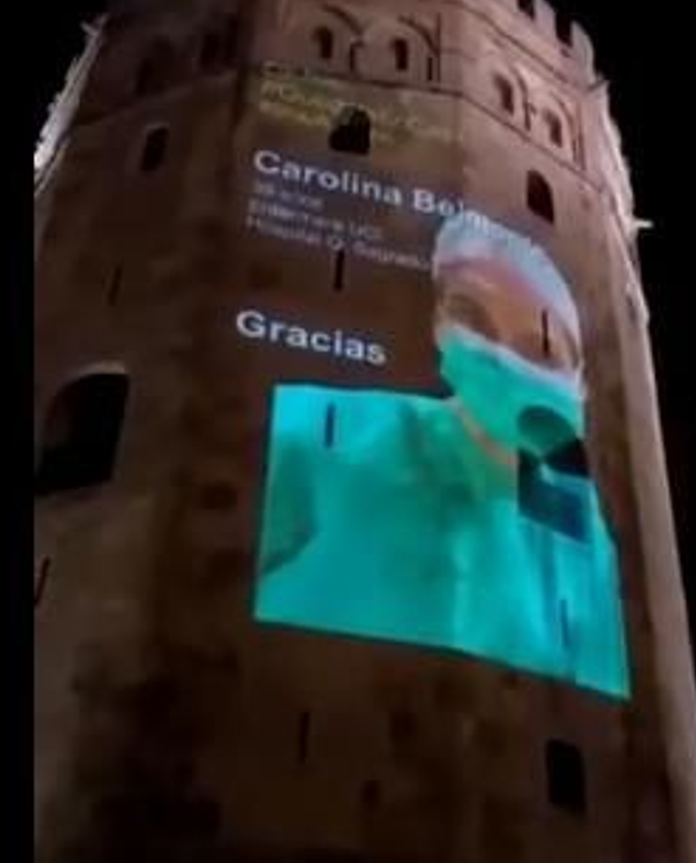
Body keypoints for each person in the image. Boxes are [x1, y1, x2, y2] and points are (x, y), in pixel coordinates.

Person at [253, 211, 629, 698]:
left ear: (578, 382)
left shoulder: (578, 533)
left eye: (539, 347)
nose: (499, 355)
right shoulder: (313, 429)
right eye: (473, 318)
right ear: (439, 322)